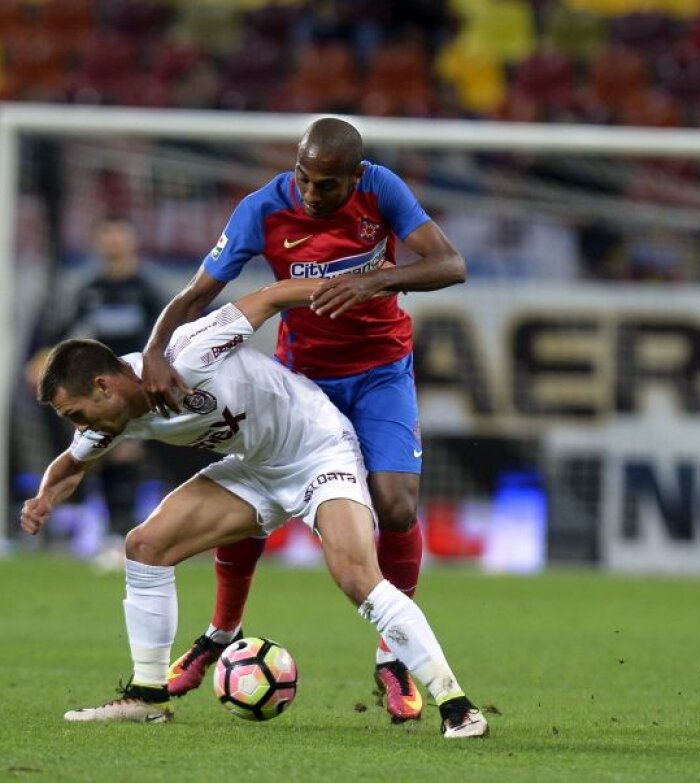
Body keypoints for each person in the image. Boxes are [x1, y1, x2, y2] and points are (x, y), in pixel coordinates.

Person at [20, 278, 488, 739]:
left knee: (356, 578)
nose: (81, 427)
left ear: (103, 386)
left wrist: (355, 289)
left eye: (76, 414)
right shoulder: (110, 417)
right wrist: (43, 499)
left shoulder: (189, 353)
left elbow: (269, 297)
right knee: (145, 545)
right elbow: (71, 465)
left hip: (317, 448)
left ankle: (458, 707)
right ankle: (147, 697)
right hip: (257, 468)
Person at [139, 117, 466, 722]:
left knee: (395, 506)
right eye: (305, 179)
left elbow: (450, 264)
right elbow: (195, 292)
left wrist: (377, 281)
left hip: (380, 371)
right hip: (300, 380)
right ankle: (220, 631)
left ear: (355, 177)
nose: (313, 194)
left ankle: (392, 656)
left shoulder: (383, 189)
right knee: (254, 499)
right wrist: (156, 351)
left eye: (328, 185)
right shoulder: (263, 208)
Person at [27, 218, 165, 570]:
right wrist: (42, 361)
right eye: (107, 236)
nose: (113, 243)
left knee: (126, 455)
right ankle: (109, 535)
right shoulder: (89, 289)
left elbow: (167, 333)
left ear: (131, 241)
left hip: (137, 390)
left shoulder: (147, 289)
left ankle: (122, 535)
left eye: (119, 235)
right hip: (96, 391)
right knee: (100, 456)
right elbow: (62, 332)